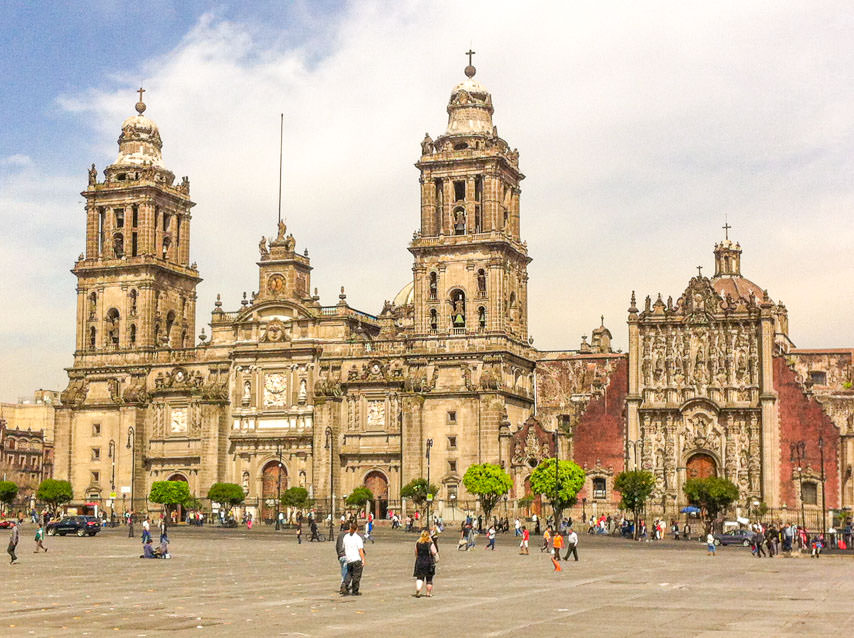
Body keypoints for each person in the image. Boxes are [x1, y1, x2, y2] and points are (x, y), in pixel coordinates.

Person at [340, 521, 366, 596]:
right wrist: (363, 559)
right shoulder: (358, 538)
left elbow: (343, 547)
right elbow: (360, 550)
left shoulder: (346, 537)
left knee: (349, 574)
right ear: (356, 529)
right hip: (356, 559)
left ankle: (345, 584)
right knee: (356, 576)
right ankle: (355, 591)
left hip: (349, 559)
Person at [413, 529, 438, 597]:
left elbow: (416, 552)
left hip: (419, 561)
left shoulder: (418, 543)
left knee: (420, 578)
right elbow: (434, 552)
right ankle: (428, 593)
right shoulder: (430, 543)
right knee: (429, 579)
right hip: (429, 562)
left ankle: (418, 589)